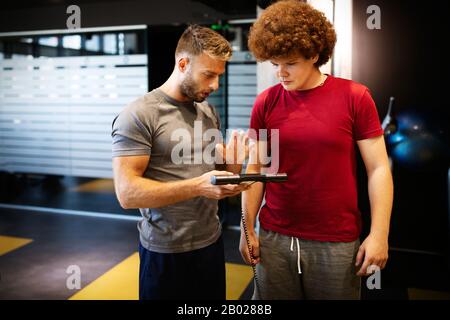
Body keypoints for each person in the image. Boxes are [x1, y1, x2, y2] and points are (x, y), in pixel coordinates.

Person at [240, 0, 394, 300]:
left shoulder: (355, 97)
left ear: (313, 55)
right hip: (274, 237)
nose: (280, 73)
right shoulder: (266, 102)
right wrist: (247, 229)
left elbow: (378, 169)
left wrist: (379, 234)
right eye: (275, 64)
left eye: (290, 63)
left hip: (335, 240)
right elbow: (255, 170)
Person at [112, 25, 248, 300]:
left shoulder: (208, 111)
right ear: (183, 64)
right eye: (208, 75)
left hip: (210, 243)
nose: (215, 86)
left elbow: (214, 177)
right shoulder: (139, 114)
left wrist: (232, 168)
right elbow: (127, 194)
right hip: (165, 252)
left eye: (219, 76)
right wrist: (199, 186)